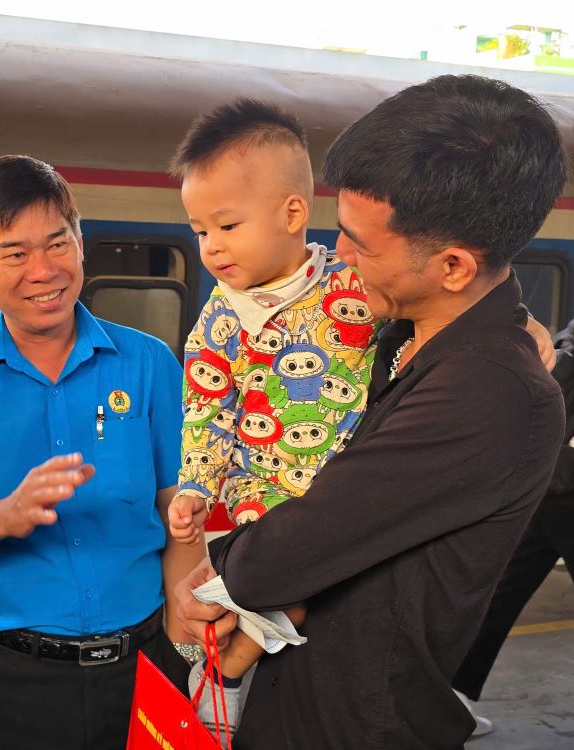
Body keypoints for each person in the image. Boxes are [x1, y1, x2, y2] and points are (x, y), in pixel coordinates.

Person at [174, 74, 567, 749]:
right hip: (298, 702)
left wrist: (216, 578)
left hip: (354, 727)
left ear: (451, 267)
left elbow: (290, 552)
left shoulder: (494, 393)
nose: (341, 261)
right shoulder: (403, 334)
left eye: (360, 245)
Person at [0, 154, 205, 750]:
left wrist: (187, 647)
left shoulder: (149, 363)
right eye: (15, 253)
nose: (44, 270)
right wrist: (3, 517)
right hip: (7, 686)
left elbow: (174, 508)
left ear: (81, 244)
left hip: (146, 672)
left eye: (59, 243)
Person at [165, 99, 378, 735]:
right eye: (200, 231)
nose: (211, 247)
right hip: (257, 489)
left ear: (292, 213)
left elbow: (429, 326)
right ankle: (224, 679)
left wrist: (527, 324)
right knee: (271, 580)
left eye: (226, 226)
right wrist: (197, 486)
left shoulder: (354, 288)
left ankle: (226, 674)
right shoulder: (219, 319)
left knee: (310, 583)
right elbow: (207, 409)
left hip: (346, 487)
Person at [452, 316, 574, 730]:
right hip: (557, 484)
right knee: (497, 590)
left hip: (550, 478)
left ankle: (453, 699)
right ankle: (452, 700)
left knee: (498, 591)